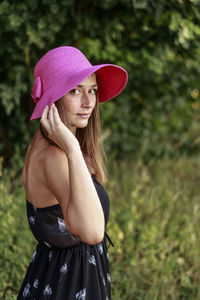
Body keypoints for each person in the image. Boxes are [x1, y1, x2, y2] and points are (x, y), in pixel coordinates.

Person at [17, 46, 128, 299]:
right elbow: (92, 232)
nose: (89, 102)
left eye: (92, 90)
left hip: (60, 275)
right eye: (75, 91)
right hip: (67, 284)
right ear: (53, 99)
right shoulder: (56, 155)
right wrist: (71, 147)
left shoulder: (45, 147)